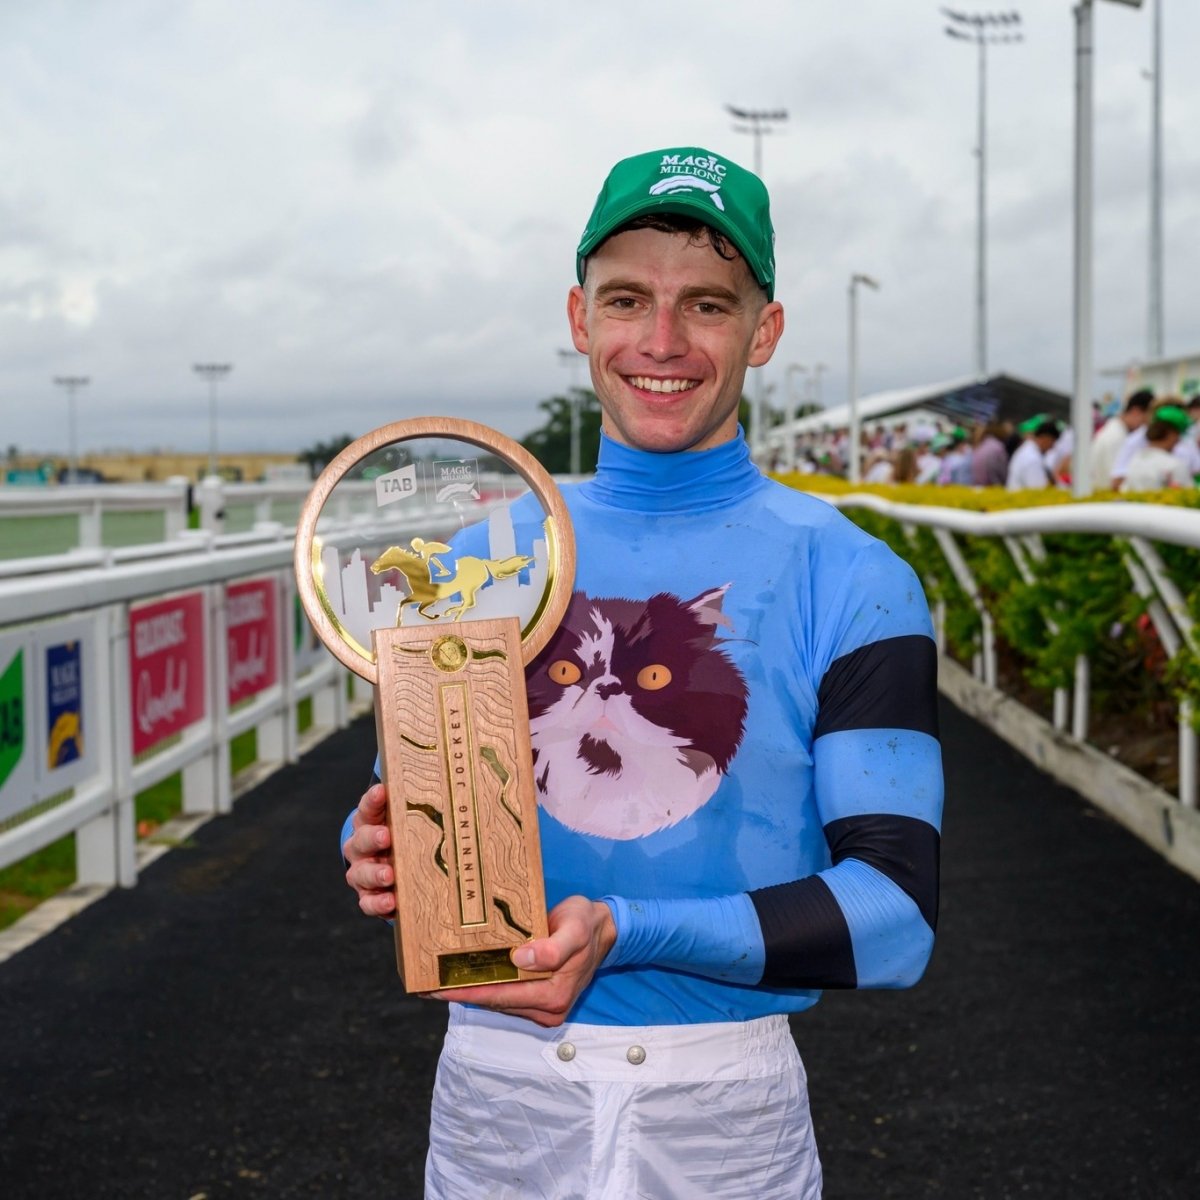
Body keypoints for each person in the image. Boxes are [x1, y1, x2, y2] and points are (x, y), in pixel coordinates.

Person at [342, 146, 944, 1199]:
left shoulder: (855, 576)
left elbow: (896, 916)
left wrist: (625, 931)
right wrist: (374, 850)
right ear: (581, 318)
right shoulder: (480, 561)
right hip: (494, 1094)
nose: (661, 342)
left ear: (765, 330)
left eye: (706, 304)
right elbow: (417, 816)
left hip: (727, 1114)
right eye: (627, 299)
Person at [1120, 406, 1194, 492]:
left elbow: (1124, 490)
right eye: (1178, 435)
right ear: (1171, 434)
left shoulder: (1135, 460)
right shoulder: (1174, 466)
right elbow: (1189, 495)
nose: (1178, 440)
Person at [1091, 389, 1152, 491]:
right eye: (1147, 420)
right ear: (1136, 412)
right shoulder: (1116, 438)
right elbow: (1117, 483)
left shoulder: (1115, 431)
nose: (1146, 426)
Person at [1006, 419, 1059, 491]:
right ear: (1045, 438)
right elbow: (1039, 490)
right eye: (1052, 442)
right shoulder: (1032, 458)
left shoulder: (1027, 450)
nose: (1052, 447)